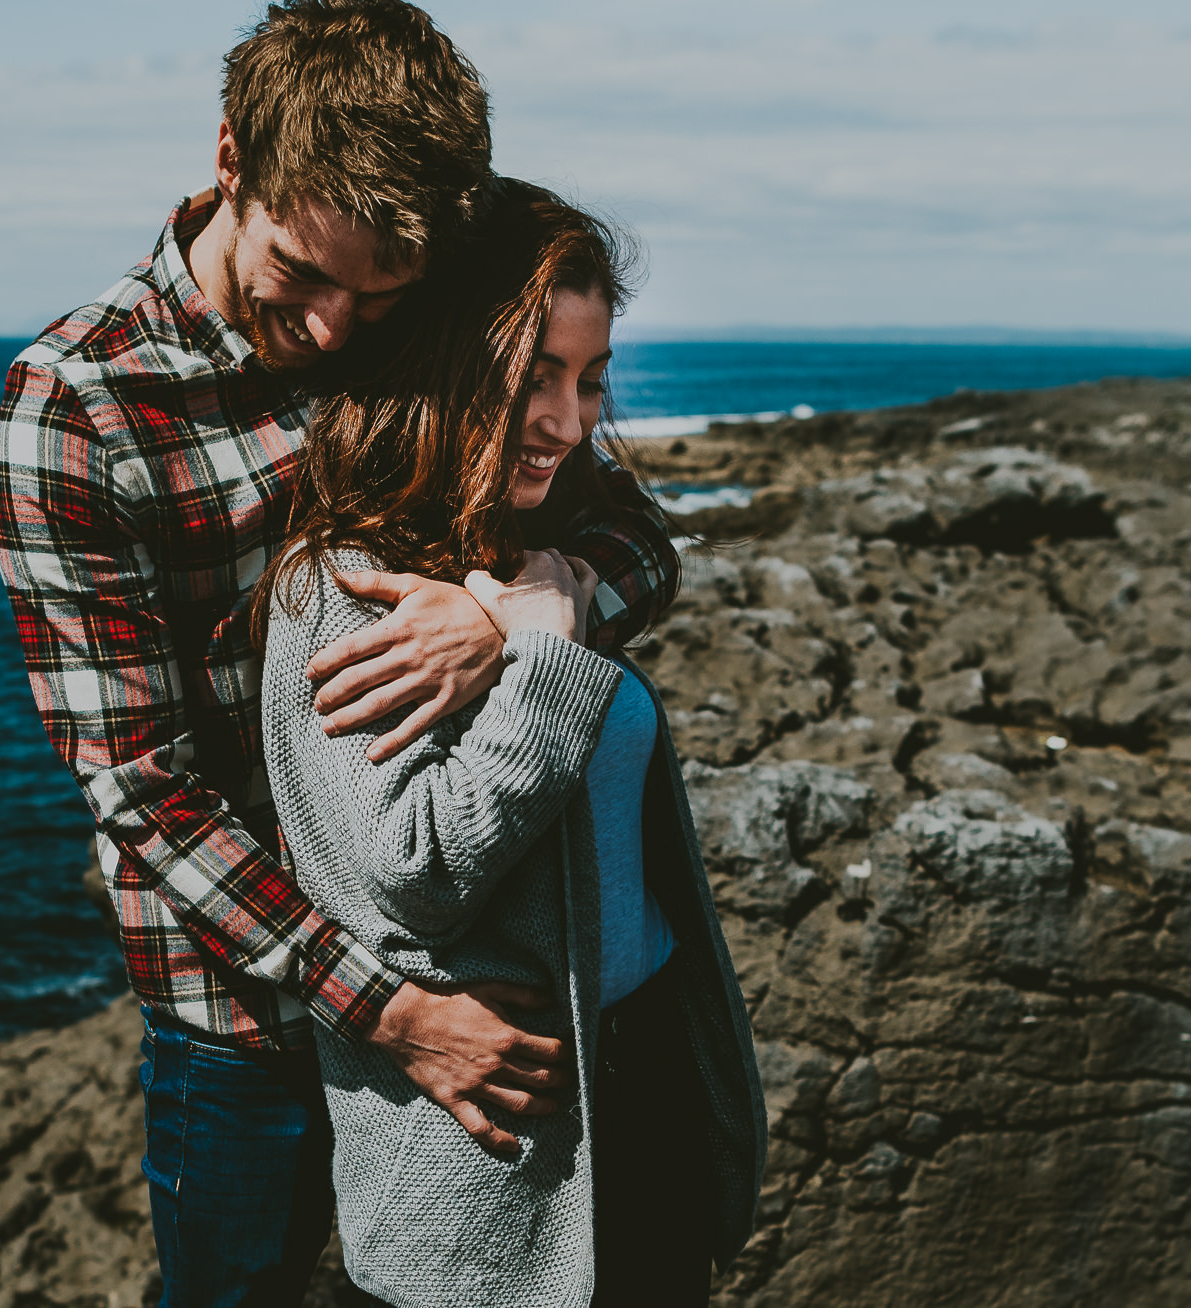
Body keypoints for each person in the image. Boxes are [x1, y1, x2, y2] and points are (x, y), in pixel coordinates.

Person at [0, 4, 679, 1304]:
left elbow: (633, 531)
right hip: (248, 1007)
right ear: (232, 160)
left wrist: (535, 603)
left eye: (378, 296)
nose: (329, 329)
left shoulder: (422, 303)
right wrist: (394, 1012)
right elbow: (141, 785)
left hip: (466, 939)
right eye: (301, 277)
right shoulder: (80, 411)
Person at [254, 179, 766, 1308]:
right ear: (448, 358)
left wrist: (524, 617)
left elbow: (642, 555)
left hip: (640, 1103)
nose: (570, 421)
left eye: (589, 381)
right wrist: (540, 654)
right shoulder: (343, 589)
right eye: (535, 377)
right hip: (497, 1172)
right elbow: (418, 869)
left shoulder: (535, 550)